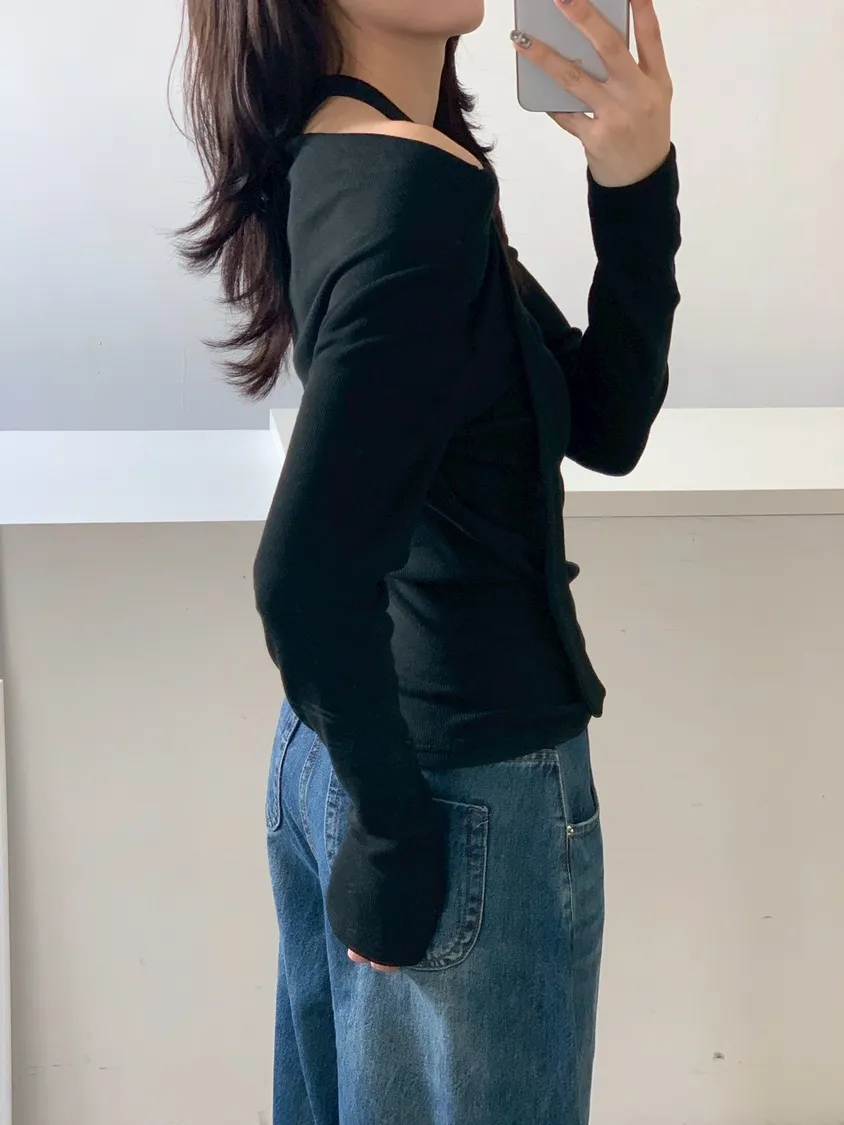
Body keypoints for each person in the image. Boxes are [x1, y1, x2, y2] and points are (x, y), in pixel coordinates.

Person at [178, 0, 679, 1120]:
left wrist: (635, 183)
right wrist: (399, 835)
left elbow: (605, 420)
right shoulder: (410, 191)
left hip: (355, 758)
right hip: (457, 794)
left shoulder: (356, 152)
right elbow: (302, 578)